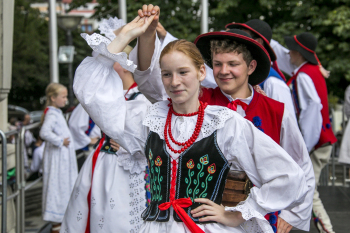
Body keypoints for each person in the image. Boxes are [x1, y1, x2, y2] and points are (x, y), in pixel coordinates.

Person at [73, 8, 309, 233]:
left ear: (200, 73)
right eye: (167, 74)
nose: (174, 82)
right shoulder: (150, 120)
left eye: (183, 72)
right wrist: (125, 36)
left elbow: (291, 174)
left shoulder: (224, 122)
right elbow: (91, 94)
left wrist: (236, 214)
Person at [61, 17, 151, 233]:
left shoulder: (143, 98)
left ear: (126, 65)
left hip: (129, 170)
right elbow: (87, 90)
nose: (110, 62)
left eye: (116, 59)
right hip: (102, 163)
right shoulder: (108, 95)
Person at [279, 32, 337, 233]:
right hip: (321, 140)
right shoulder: (311, 71)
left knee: (308, 191)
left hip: (316, 142)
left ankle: (327, 230)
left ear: (299, 53)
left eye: (292, 50)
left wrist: (303, 145)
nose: (288, 54)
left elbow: (312, 108)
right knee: (308, 189)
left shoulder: (303, 75)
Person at [225, 19, 297, 123]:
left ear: (258, 42)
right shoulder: (238, 76)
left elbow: (287, 126)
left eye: (244, 36)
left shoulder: (274, 82)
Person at [39, 83, 78, 233]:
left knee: (63, 187)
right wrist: (60, 141)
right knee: (57, 187)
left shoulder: (55, 112)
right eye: (63, 97)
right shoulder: (51, 114)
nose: (66, 100)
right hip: (57, 159)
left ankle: (61, 219)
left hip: (62, 158)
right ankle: (57, 221)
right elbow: (44, 132)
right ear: (53, 98)